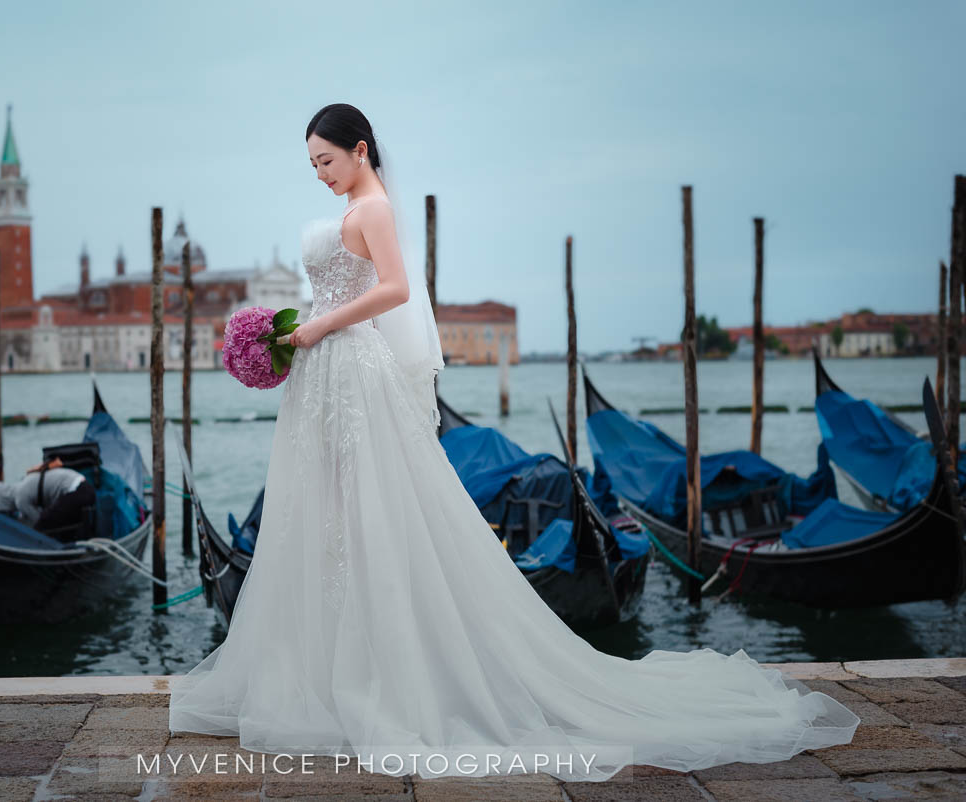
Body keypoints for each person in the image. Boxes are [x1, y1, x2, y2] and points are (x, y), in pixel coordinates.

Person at [166, 103, 859, 782]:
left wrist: (317, 329)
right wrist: (289, 336)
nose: (318, 173)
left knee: (370, 512)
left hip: (349, 365)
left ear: (360, 151)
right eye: (312, 164)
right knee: (332, 515)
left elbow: (398, 291)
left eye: (325, 160)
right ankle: (329, 669)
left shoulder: (372, 207)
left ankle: (375, 677)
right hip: (328, 372)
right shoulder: (358, 206)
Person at [0, 457, 96, 541]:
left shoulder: (20, 499)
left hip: (76, 491)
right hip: (85, 487)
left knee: (43, 525)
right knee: (56, 517)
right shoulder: (24, 482)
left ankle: (53, 551)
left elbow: (37, 521)